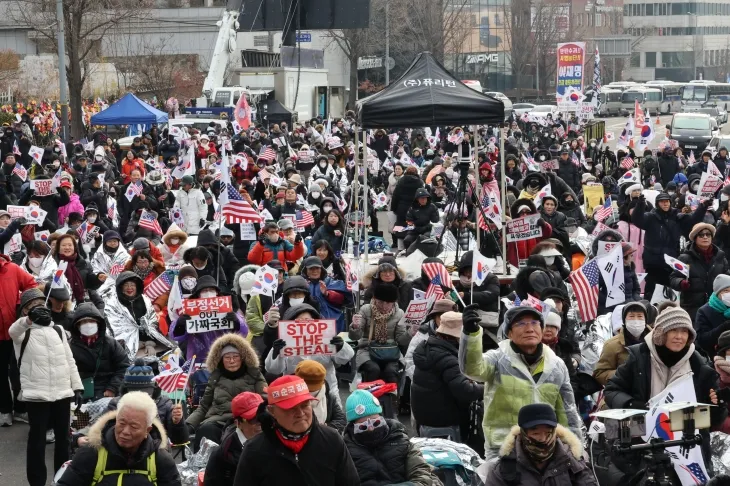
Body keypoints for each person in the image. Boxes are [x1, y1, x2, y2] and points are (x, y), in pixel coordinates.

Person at [604, 304, 727, 471]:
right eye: (673, 330)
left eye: (684, 332)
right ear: (661, 333)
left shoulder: (700, 365)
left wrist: (717, 405)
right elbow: (611, 390)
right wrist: (632, 405)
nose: (679, 336)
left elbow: (711, 421)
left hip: (687, 446)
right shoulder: (638, 358)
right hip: (643, 441)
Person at [460, 304, 582, 459]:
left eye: (535, 323)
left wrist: (576, 449)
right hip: (502, 448)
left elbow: (567, 411)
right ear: (509, 333)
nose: (529, 328)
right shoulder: (498, 359)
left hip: (544, 447)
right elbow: (472, 369)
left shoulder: (556, 365)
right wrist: (471, 334)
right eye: (521, 324)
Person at [9, 293, 82, 486]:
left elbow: (69, 360)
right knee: (37, 441)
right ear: (25, 310)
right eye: (33, 306)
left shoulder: (58, 330)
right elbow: (12, 331)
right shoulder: (23, 332)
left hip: (62, 393)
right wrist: (28, 320)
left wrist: (77, 386)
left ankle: (62, 478)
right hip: (36, 395)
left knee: (64, 441)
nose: (40, 307)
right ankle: (37, 481)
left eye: (42, 304)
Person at [233, 375, 360, 485]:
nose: (300, 413)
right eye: (290, 408)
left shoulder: (332, 439)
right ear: (272, 411)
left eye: (305, 405)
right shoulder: (255, 450)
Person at [56, 391, 181, 486]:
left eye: (134, 426)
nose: (125, 432)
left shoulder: (160, 459)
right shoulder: (91, 452)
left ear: (147, 431)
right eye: (121, 423)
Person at [412, 310, 484, 443]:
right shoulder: (446, 357)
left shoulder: (428, 347)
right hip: (443, 418)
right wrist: (487, 387)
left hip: (424, 415)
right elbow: (465, 391)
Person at [343, 389, 441, 486]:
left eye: (376, 423)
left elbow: (422, 476)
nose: (371, 429)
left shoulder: (400, 439)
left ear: (382, 418)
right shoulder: (345, 451)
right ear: (352, 427)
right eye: (363, 427)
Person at [186, 332, 266, 451]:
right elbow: (203, 406)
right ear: (221, 360)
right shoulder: (215, 378)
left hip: (248, 420)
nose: (232, 361)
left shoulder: (254, 375)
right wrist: (188, 425)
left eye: (235, 357)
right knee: (205, 430)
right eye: (227, 358)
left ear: (242, 358)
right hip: (218, 420)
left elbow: (265, 399)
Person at [484, 403, 597, 486]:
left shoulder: (571, 460)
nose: (542, 439)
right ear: (523, 434)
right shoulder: (504, 469)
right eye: (535, 433)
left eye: (548, 433)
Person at [631, 192, 710, 302]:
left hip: (672, 264)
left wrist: (703, 207)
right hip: (654, 264)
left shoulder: (677, 217)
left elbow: (693, 220)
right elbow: (637, 220)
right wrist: (640, 204)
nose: (665, 204)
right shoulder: (650, 217)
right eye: (662, 201)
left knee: (671, 298)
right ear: (657, 203)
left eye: (667, 201)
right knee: (652, 296)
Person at [267, 304, 353, 404]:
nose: (304, 323)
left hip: (326, 394)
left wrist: (341, 346)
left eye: (307, 319)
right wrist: (276, 352)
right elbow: (273, 369)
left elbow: (346, 358)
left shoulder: (326, 338)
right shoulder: (284, 342)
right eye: (299, 320)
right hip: (296, 394)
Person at [169, 275, 247, 362]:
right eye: (205, 291)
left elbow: (243, 332)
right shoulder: (190, 309)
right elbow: (175, 336)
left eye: (211, 290)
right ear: (199, 294)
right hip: (198, 359)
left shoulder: (227, 307)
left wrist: (236, 321)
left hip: (224, 357)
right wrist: (180, 324)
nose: (208, 293)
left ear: (217, 292)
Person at [0, 252, 39, 426]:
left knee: (19, 371)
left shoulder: (13, 269)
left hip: (15, 330)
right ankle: (4, 410)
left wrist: (19, 305)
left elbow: (31, 285)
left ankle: (21, 409)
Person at [69, 303, 130, 400]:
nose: (88, 325)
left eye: (91, 321)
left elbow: (123, 367)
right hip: (79, 393)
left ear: (98, 323)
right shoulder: (70, 346)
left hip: (106, 392)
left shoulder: (111, 344)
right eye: (84, 322)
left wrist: (112, 388)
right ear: (77, 326)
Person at [669, 222, 729, 320]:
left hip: (717, 307)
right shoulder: (685, 258)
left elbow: (727, 278)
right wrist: (681, 283)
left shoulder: (720, 257)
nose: (705, 237)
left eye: (708, 234)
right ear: (695, 238)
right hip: (692, 308)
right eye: (701, 235)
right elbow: (673, 278)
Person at [205, 392, 264, 486]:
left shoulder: (275, 443)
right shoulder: (222, 455)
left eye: (262, 417)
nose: (260, 423)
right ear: (238, 423)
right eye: (253, 419)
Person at [593, 301, 651, 386]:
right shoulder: (612, 345)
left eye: (640, 317)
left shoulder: (656, 342)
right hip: (624, 393)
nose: (636, 320)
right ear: (624, 320)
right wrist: (623, 374)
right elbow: (599, 374)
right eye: (631, 316)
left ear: (645, 320)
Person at [294, 359, 347, 432]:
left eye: (314, 388)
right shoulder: (290, 396)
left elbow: (341, 420)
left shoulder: (328, 397)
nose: (311, 391)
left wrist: (326, 428)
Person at [695, 275, 730, 358]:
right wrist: (724, 327)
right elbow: (702, 340)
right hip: (716, 357)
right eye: (725, 291)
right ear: (717, 293)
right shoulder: (704, 311)